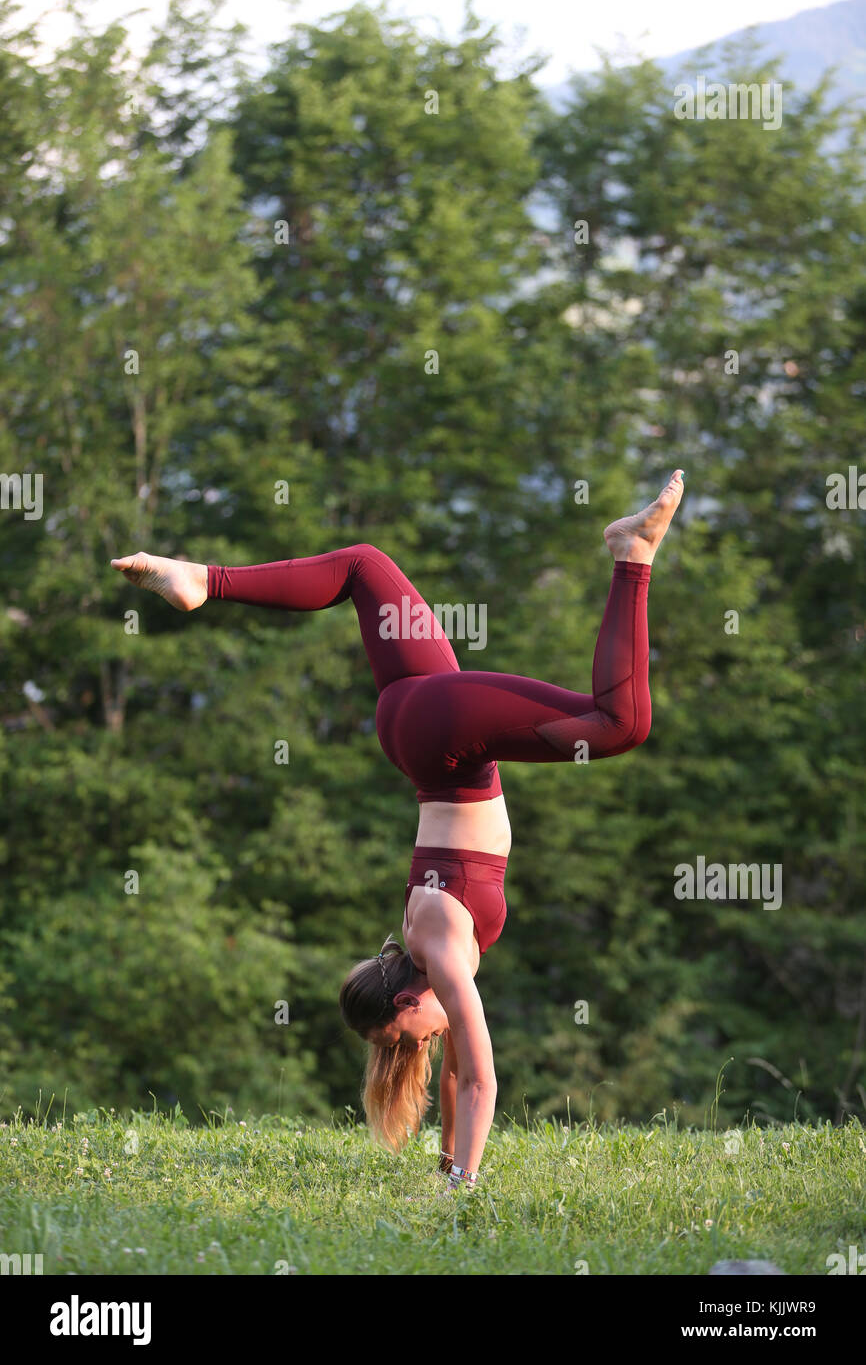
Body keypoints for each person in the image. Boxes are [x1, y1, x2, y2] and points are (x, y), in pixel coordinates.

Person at [111, 469, 684, 1190]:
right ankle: (202, 579)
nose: (432, 1039)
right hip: (408, 718)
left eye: (413, 1036)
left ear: (408, 999)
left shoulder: (440, 947)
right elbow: (452, 1081)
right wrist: (449, 1159)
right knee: (364, 566)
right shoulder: (428, 952)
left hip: (445, 739)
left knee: (621, 723)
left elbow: (481, 1082)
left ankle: (631, 552)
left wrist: (460, 1194)